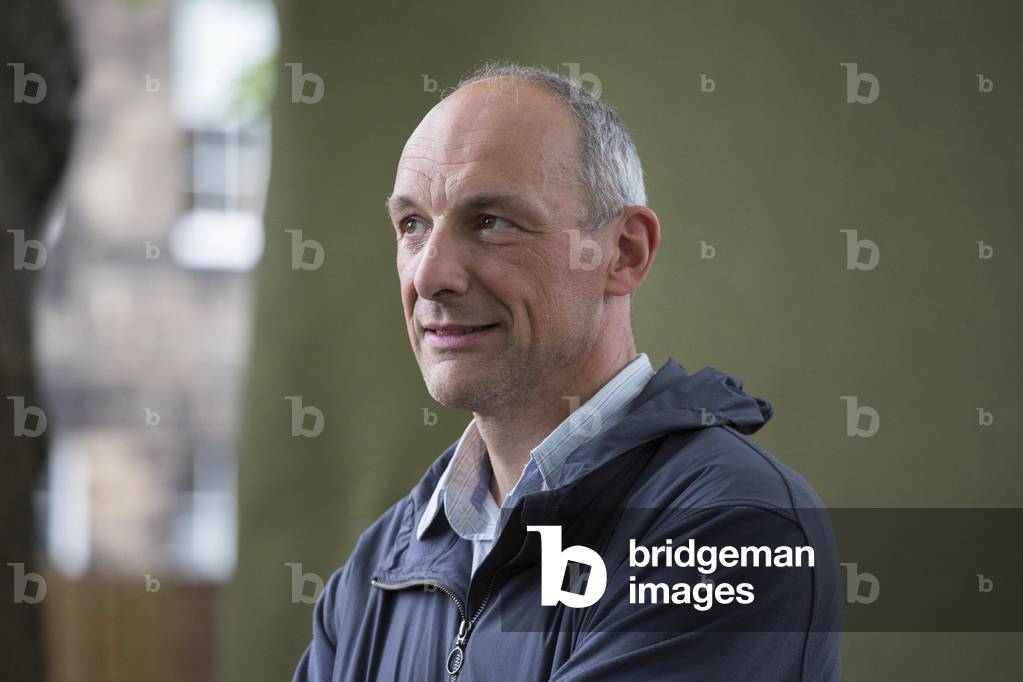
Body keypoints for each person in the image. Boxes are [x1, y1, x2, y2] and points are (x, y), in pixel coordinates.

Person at [293, 61, 841, 681]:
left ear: (625, 253)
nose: (429, 275)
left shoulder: (731, 531)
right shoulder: (377, 571)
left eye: (492, 222)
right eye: (412, 225)